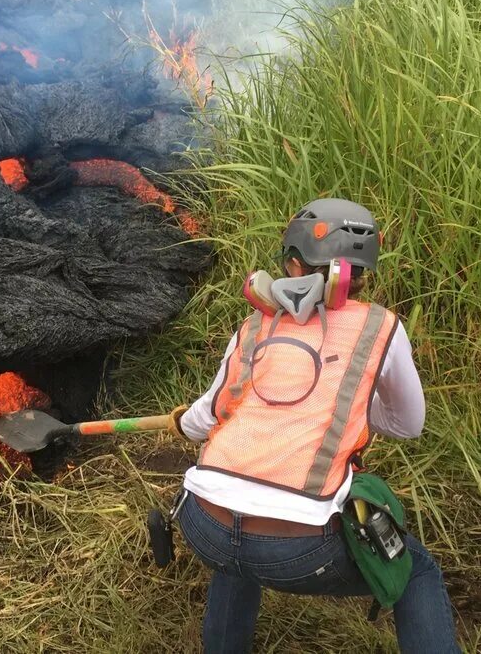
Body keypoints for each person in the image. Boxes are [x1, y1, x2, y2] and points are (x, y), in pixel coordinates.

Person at [173, 198, 460, 654]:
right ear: (361, 272)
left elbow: (202, 420)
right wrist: (354, 412)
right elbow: (408, 424)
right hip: (299, 552)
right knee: (417, 571)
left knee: (235, 546)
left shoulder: (254, 326)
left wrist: (181, 421)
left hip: (203, 525)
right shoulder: (381, 326)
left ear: (291, 264)